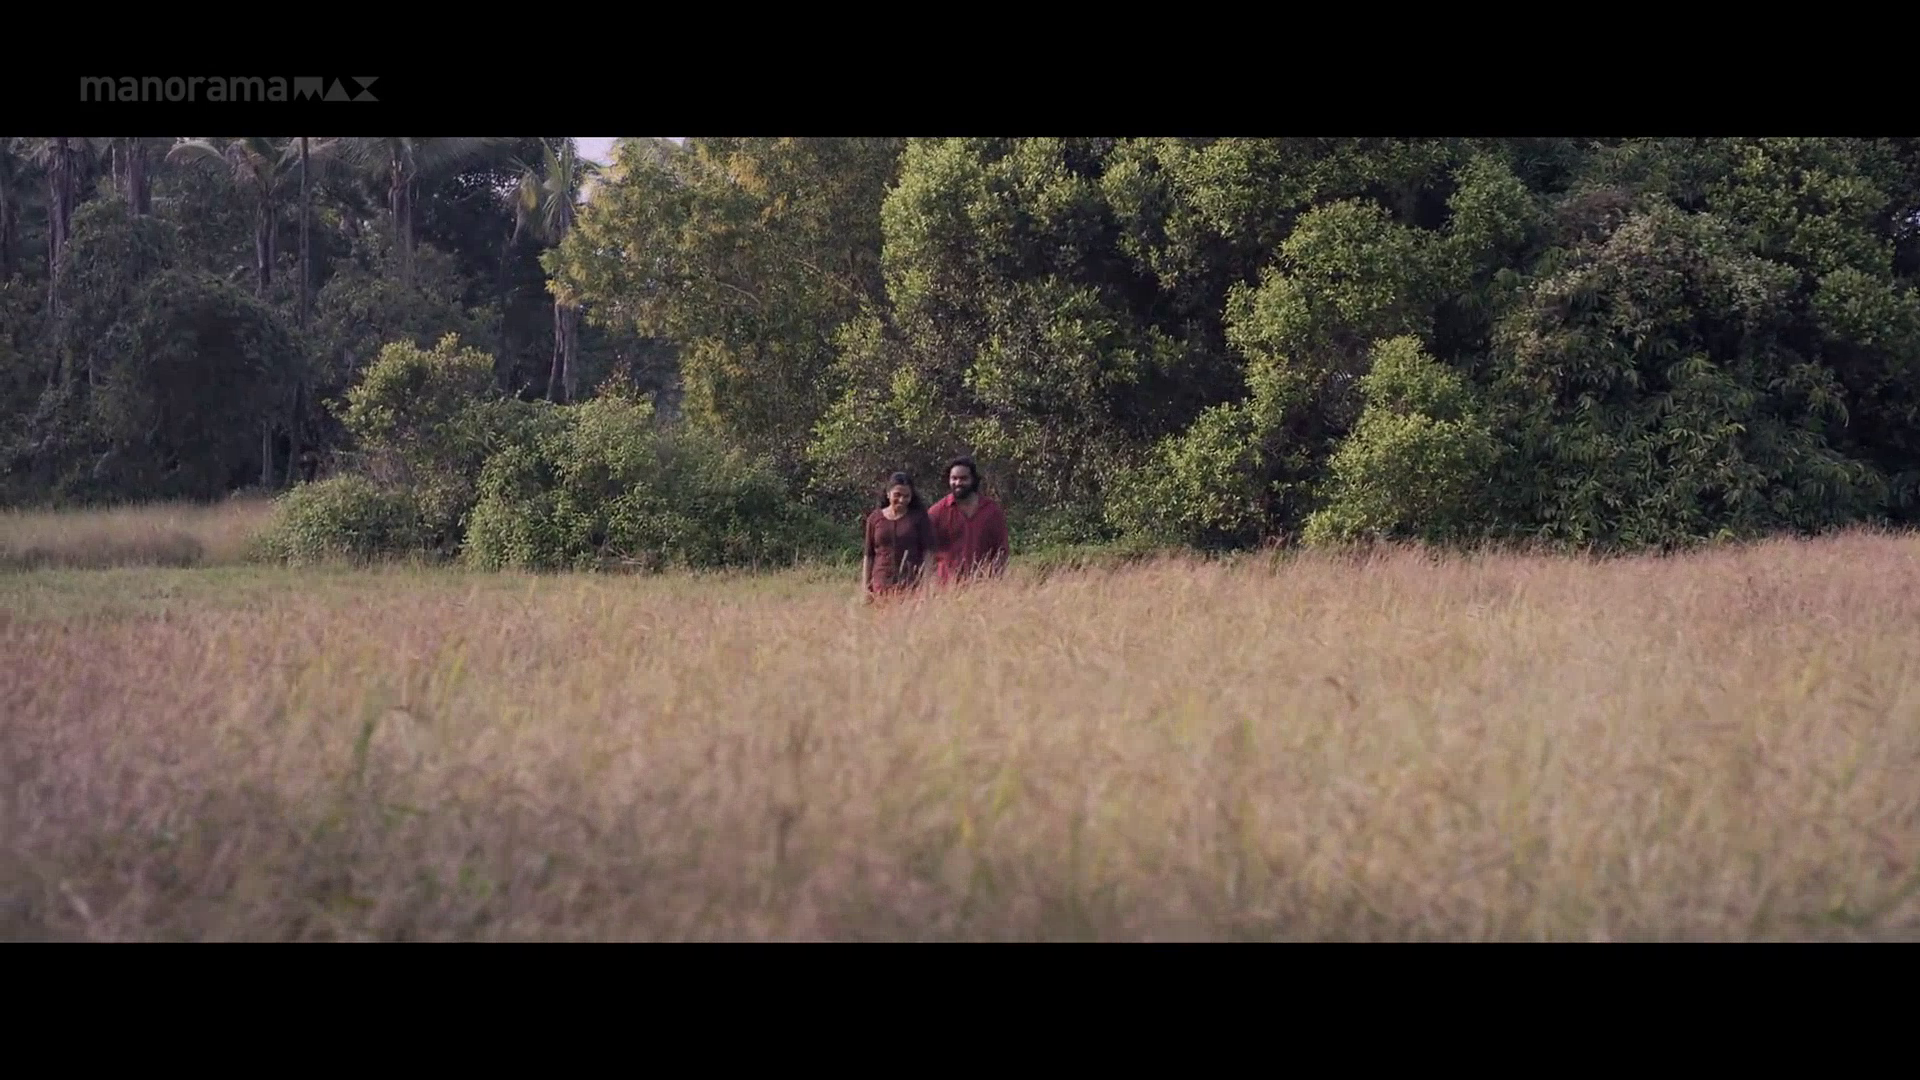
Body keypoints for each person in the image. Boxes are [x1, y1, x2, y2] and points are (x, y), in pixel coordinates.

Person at [926, 455, 1010, 586]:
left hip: (982, 587)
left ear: (973, 479)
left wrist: (995, 582)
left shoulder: (991, 511)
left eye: (963, 478)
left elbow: (1001, 550)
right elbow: (926, 552)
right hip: (946, 589)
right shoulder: (937, 512)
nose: (958, 483)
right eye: (954, 478)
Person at [861, 471, 934, 601]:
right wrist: (865, 588)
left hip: (910, 587)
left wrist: (925, 589)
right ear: (888, 494)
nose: (901, 500)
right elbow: (869, 555)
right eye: (897, 495)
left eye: (906, 496)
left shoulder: (919, 518)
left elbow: (927, 553)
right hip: (880, 587)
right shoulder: (874, 518)